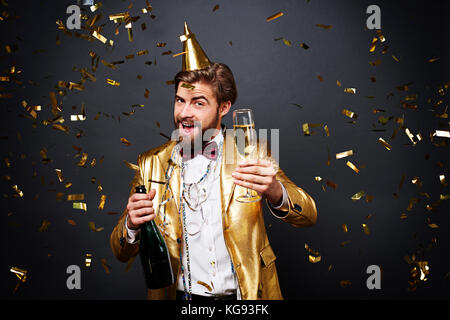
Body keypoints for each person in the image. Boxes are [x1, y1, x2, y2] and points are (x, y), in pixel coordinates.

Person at [110, 23, 317, 300]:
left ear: (224, 106)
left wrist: (276, 192)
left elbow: (308, 216)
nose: (184, 113)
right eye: (180, 100)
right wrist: (131, 226)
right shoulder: (151, 163)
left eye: (198, 103)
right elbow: (120, 251)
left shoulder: (249, 150)